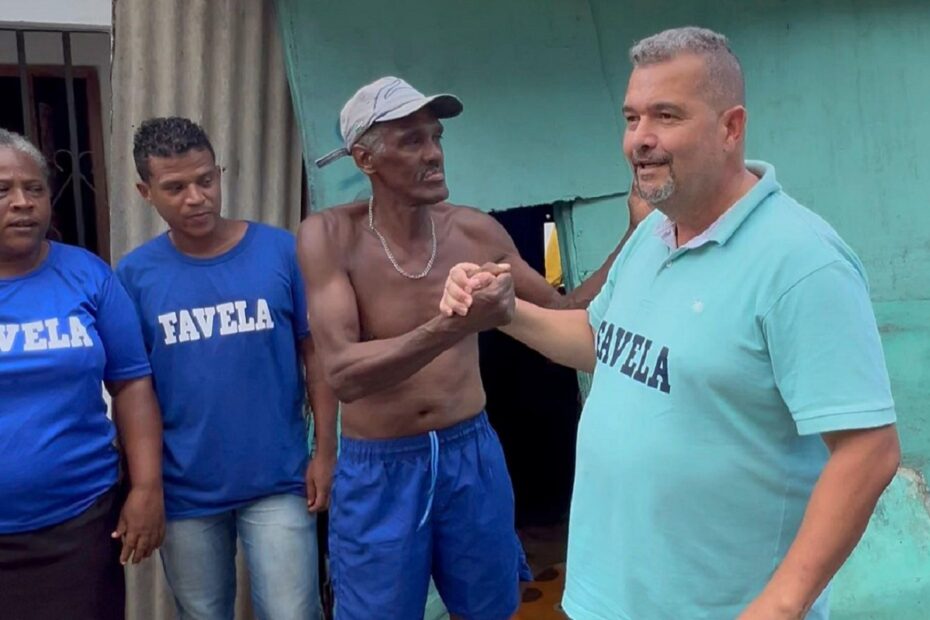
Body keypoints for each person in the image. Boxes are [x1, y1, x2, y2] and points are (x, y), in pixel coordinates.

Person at [441, 27, 901, 620]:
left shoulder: (801, 261)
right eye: (631, 118)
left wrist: (781, 604)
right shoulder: (654, 234)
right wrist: (505, 312)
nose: (640, 140)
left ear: (730, 127)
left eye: (666, 116)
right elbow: (599, 345)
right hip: (606, 598)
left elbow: (868, 451)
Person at [299, 76, 644, 619]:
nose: (434, 154)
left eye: (435, 137)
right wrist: (455, 324)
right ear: (365, 158)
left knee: (490, 609)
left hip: (471, 453)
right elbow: (343, 371)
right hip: (381, 469)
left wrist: (634, 233)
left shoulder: (475, 230)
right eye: (411, 141)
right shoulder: (329, 237)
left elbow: (565, 312)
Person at [116, 117, 337, 620]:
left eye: (206, 180)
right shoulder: (134, 275)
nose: (196, 197)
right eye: (175, 187)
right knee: (201, 613)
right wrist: (143, 484)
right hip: (184, 489)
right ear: (144, 191)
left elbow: (316, 355)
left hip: (279, 479)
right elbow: (133, 386)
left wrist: (326, 452)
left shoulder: (280, 251)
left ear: (219, 173)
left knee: (292, 612)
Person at [0, 128, 164, 620]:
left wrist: (146, 487)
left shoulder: (88, 275)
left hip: (80, 524)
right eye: (2, 190)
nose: (22, 203)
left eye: (34, 189)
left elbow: (132, 382)